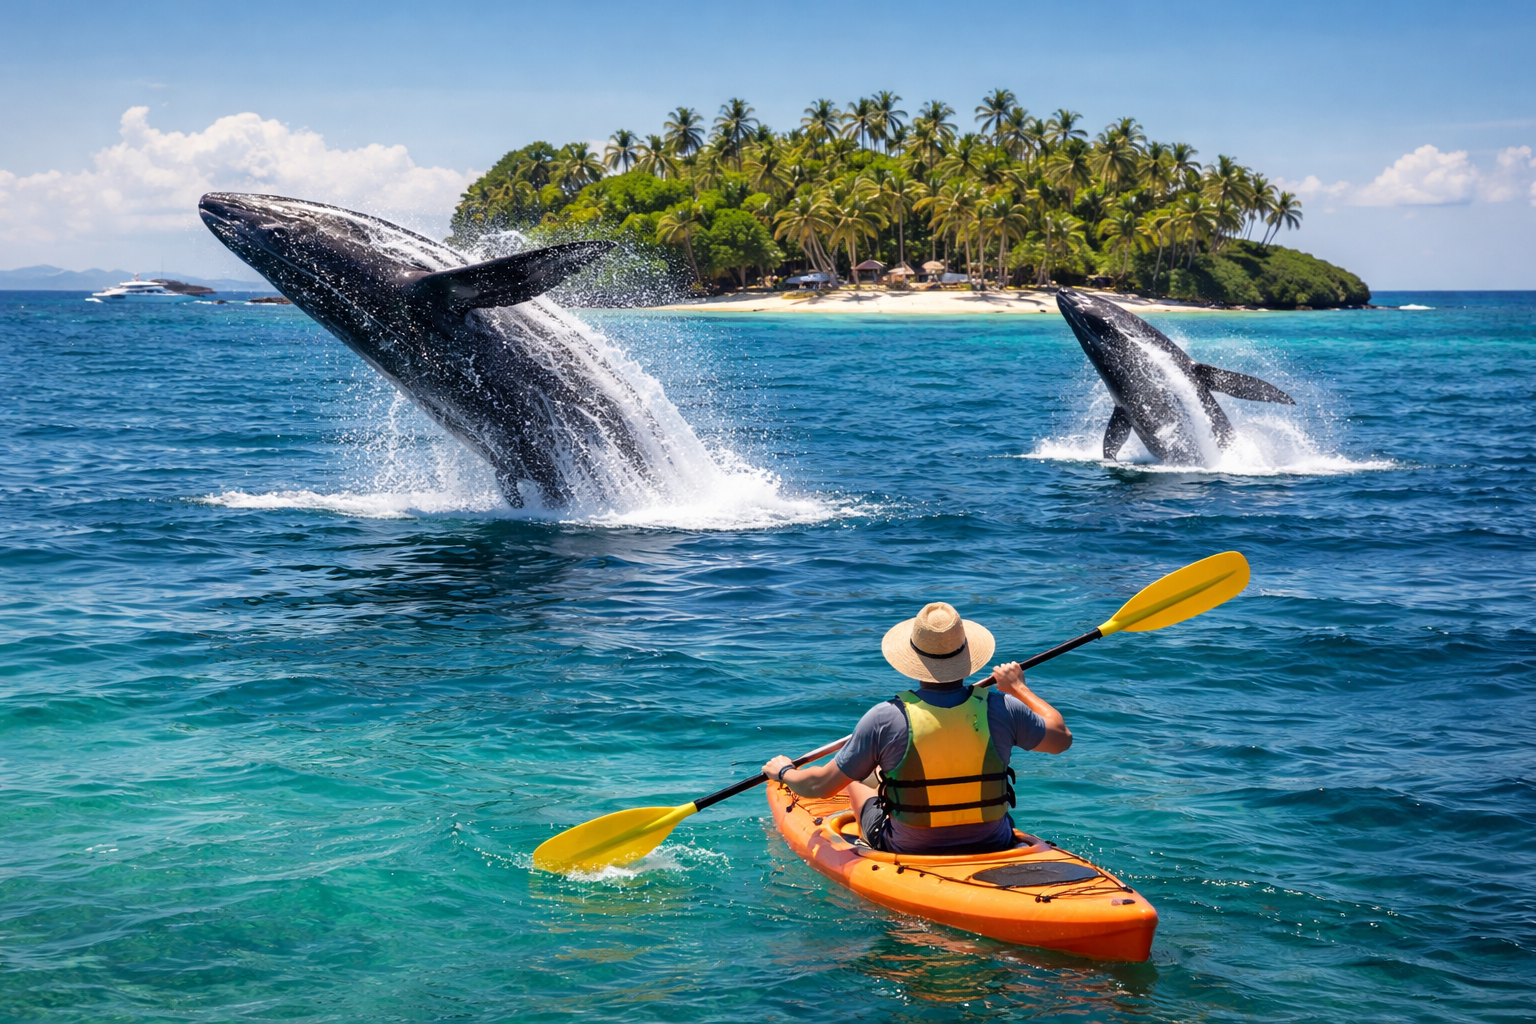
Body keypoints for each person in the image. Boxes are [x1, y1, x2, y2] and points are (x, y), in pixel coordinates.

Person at [762, 602, 1071, 855]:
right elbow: (1061, 739)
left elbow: (818, 787)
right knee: (883, 769)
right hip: (994, 841)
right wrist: (1018, 689)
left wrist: (784, 773)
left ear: (914, 658)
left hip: (909, 847)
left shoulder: (884, 718)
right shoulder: (1003, 707)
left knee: (856, 777)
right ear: (966, 655)